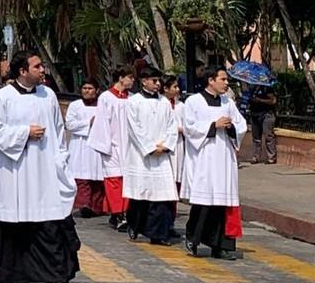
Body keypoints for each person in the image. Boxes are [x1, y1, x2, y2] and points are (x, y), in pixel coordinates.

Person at [0, 51, 80, 283]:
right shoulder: (2, 97)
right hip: (16, 173)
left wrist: (61, 161)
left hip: (46, 171)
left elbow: (59, 131)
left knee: (51, 227)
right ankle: (20, 280)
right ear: (22, 71)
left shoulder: (48, 95)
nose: (43, 69)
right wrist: (24, 133)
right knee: (19, 228)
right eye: (37, 66)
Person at [181, 66, 247, 259]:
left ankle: (221, 245)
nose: (226, 83)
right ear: (211, 80)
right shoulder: (194, 101)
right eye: (223, 79)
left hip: (224, 156)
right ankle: (193, 238)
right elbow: (189, 128)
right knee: (204, 201)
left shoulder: (228, 102)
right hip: (204, 157)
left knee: (222, 202)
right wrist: (213, 125)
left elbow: (241, 125)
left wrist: (231, 127)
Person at [123, 67, 180, 245]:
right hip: (142, 156)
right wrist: (149, 147)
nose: (158, 84)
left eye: (159, 81)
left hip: (162, 155)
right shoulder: (134, 102)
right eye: (154, 81)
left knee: (162, 196)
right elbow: (134, 128)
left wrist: (166, 145)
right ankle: (135, 224)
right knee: (141, 193)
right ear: (144, 81)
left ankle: (158, 233)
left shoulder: (164, 102)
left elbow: (172, 126)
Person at [87, 66, 134, 231]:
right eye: (130, 77)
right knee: (114, 180)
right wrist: (104, 145)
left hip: (129, 145)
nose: (132, 81)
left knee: (127, 180)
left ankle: (125, 212)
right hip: (112, 145)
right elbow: (102, 122)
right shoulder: (106, 98)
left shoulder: (132, 98)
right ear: (120, 78)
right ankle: (118, 213)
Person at [65, 80, 106, 219]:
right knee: (82, 177)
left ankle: (97, 207)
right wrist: (88, 123)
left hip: (97, 145)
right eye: (84, 88)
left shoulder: (103, 105)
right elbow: (70, 124)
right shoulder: (75, 105)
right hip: (80, 145)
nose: (87, 91)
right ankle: (84, 205)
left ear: (97, 90)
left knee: (97, 177)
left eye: (90, 88)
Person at [248, 84, 278, 165]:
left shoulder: (266, 87)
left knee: (268, 136)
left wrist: (260, 100)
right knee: (256, 137)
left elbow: (273, 100)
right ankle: (255, 157)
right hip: (255, 114)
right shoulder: (252, 88)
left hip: (266, 114)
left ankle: (271, 157)